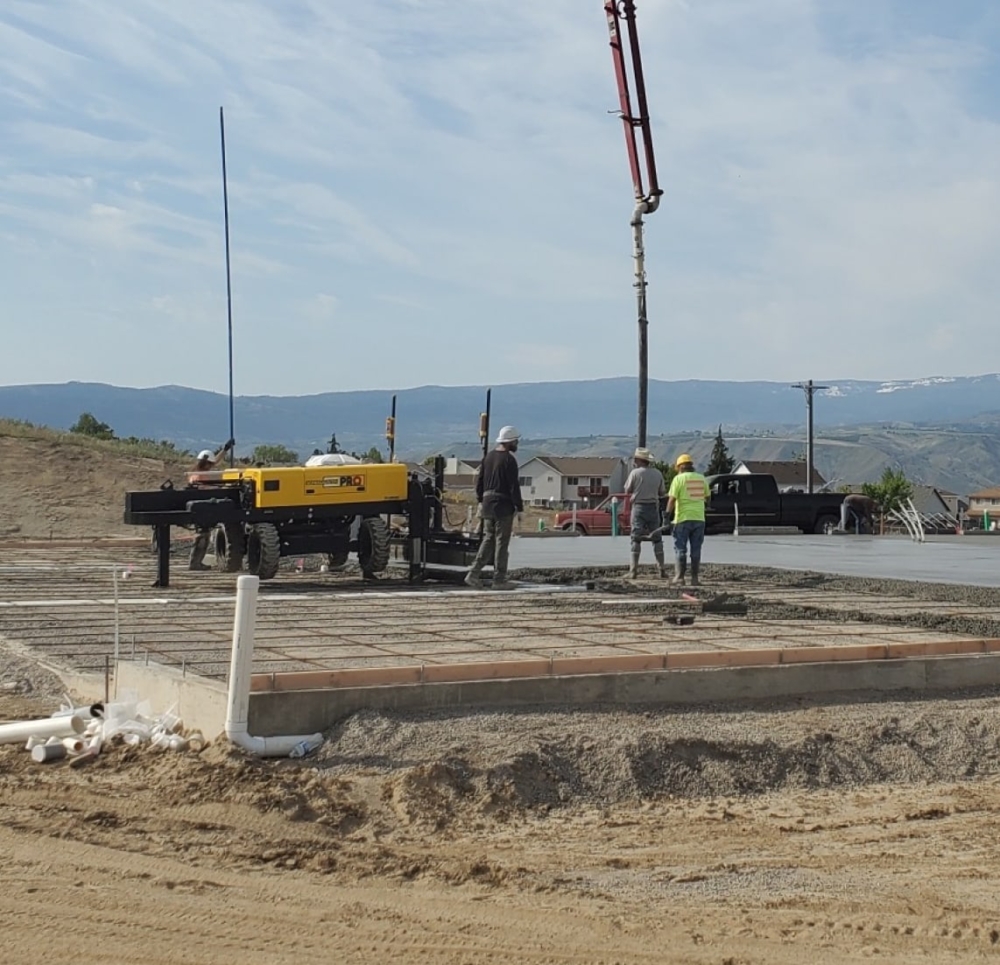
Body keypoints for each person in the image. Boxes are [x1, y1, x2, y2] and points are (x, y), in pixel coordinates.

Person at [465, 426, 523, 590]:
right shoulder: (509, 460)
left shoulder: (488, 457)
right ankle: (499, 580)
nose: (517, 443)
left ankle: (473, 574)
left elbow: (480, 483)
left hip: (488, 505)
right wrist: (519, 507)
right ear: (510, 441)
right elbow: (513, 486)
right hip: (503, 506)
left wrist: (480, 501)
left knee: (488, 539)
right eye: (516, 441)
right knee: (501, 543)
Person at [188, 439, 234, 570]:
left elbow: (216, 461)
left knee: (205, 536)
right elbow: (205, 490)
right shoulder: (198, 477)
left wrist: (225, 449)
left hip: (204, 508)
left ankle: (196, 562)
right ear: (205, 464)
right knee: (202, 537)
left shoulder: (199, 472)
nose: (211, 466)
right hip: (201, 509)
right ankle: (195, 563)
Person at [623, 447, 667, 579]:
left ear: (638, 460)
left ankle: (633, 571)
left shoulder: (635, 473)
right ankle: (662, 570)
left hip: (639, 507)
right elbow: (662, 492)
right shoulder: (658, 473)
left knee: (635, 538)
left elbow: (627, 490)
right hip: (653, 507)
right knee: (657, 538)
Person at [666, 453, 710, 586]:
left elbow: (672, 500)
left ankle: (679, 578)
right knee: (696, 549)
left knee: (680, 549)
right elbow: (708, 497)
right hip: (699, 519)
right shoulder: (702, 478)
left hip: (682, 519)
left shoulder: (678, 479)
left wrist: (667, 516)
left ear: (679, 467)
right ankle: (695, 579)